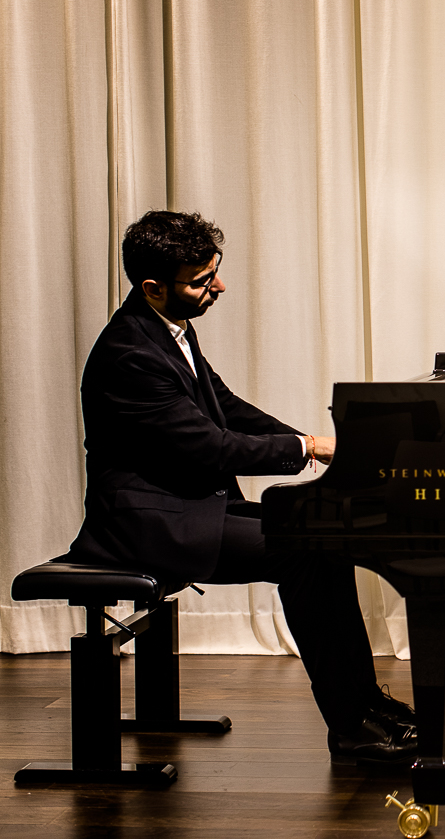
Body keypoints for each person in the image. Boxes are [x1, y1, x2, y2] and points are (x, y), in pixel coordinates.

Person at [66, 209, 415, 764]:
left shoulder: (168, 327)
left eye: (215, 271)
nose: (219, 286)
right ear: (153, 287)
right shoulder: (129, 354)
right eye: (202, 280)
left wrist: (311, 442)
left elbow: (225, 406)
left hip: (184, 506)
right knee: (303, 550)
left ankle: (367, 707)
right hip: (143, 524)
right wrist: (308, 448)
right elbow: (211, 446)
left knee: (324, 536)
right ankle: (352, 729)